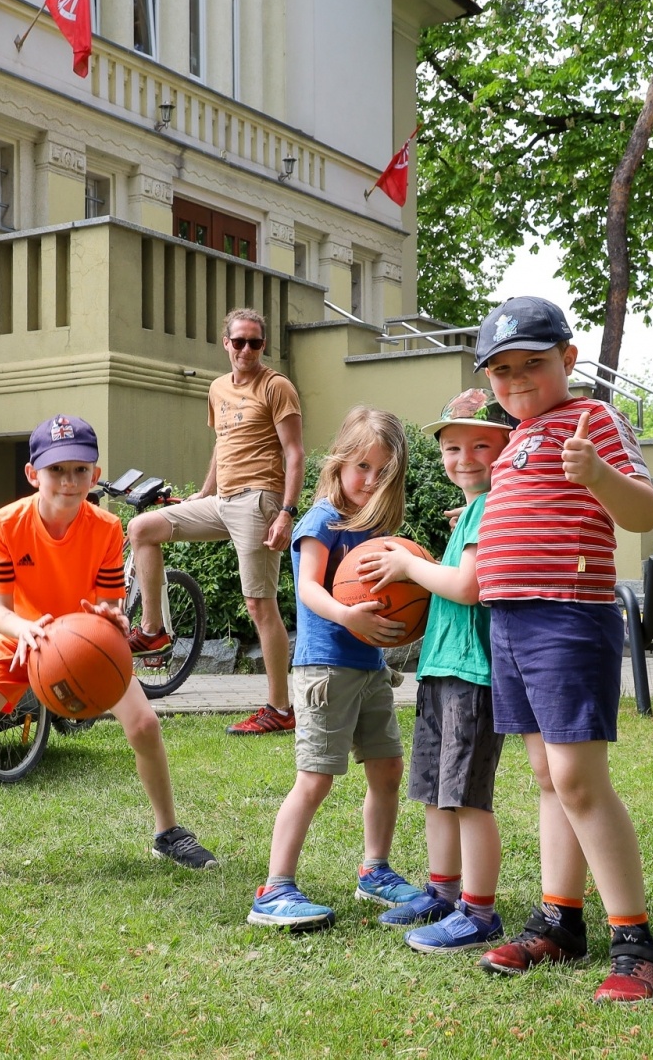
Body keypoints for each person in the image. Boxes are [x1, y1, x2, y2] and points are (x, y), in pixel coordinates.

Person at [468, 296, 653, 1002]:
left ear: (569, 359)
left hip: (567, 617)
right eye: (502, 369)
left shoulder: (593, 421)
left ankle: (637, 943)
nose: (518, 378)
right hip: (513, 622)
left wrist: (597, 475)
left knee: (580, 780)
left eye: (534, 363)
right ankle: (560, 921)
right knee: (547, 777)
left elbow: (645, 511)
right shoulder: (516, 439)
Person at [0, 414, 218, 885]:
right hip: (23, 637)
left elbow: (106, 607)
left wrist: (112, 618)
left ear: (96, 476)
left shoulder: (105, 528)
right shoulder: (6, 523)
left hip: (81, 646)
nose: (68, 480)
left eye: (80, 470)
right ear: (33, 474)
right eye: (57, 469)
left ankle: (168, 832)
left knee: (144, 723)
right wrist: (29, 632)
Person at [247, 407, 424, 929]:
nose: (370, 480)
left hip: (368, 669)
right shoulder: (321, 520)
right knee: (315, 779)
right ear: (340, 462)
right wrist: (348, 615)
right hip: (325, 669)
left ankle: (375, 871)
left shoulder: (376, 527)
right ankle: (274, 889)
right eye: (362, 467)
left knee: (388, 769)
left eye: (382, 471)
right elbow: (306, 588)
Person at [357, 389, 515, 953]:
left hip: (473, 674)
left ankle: (479, 911)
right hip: (441, 669)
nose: (464, 457)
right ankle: (442, 892)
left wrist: (409, 565)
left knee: (467, 797)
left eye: (480, 446)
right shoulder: (473, 511)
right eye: (452, 448)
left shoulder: (490, 508)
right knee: (434, 790)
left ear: (506, 451)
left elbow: (468, 588)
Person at [127, 307, 305, 736]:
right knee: (142, 529)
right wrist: (205, 493)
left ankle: (280, 709)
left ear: (264, 346)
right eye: (238, 341)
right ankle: (153, 631)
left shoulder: (277, 386)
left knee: (259, 607)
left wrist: (286, 512)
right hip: (222, 501)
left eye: (255, 342)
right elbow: (221, 445)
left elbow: (295, 454)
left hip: (259, 501)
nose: (246, 349)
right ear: (225, 343)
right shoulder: (217, 388)